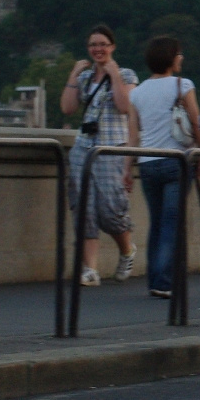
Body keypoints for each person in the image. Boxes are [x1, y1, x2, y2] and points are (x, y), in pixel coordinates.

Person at [127, 35, 200, 299]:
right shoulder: (183, 85)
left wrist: (128, 169)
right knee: (172, 223)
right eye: (179, 53)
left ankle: (154, 278)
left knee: (157, 222)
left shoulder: (136, 93)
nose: (181, 57)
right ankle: (163, 281)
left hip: (148, 162)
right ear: (172, 58)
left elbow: (133, 136)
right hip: (176, 161)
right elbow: (195, 122)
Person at [61, 24, 138, 287]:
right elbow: (68, 108)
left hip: (112, 148)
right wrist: (74, 73)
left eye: (103, 44)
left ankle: (127, 250)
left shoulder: (127, 74)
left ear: (112, 47)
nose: (98, 49)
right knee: (83, 208)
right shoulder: (84, 78)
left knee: (111, 210)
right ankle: (90, 269)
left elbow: (125, 106)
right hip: (84, 147)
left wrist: (114, 74)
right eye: (93, 44)